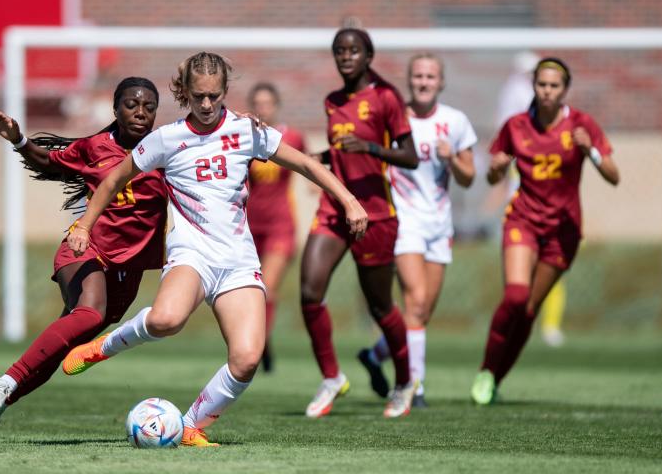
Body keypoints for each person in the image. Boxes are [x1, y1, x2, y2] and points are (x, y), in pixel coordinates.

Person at [61, 52, 368, 447]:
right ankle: (102, 347)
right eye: (198, 96)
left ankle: (189, 426)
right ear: (184, 93)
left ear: (225, 92)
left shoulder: (247, 130)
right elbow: (113, 179)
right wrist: (84, 224)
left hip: (238, 261)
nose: (206, 105)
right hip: (192, 252)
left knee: (246, 359)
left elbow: (307, 166)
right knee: (166, 320)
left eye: (214, 96)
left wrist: (349, 201)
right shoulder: (166, 139)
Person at [0, 77, 167, 443]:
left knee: (59, 349)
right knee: (91, 312)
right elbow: (49, 161)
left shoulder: (167, 150)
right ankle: (4, 381)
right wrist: (19, 139)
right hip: (84, 245)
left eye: (149, 106)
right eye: (131, 104)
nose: (140, 112)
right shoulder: (95, 147)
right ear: (115, 109)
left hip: (129, 267)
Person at [471, 57, 620, 405]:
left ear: (565, 90)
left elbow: (614, 176)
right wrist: (495, 170)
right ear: (533, 86)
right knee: (516, 297)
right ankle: (485, 369)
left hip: (562, 230)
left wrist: (591, 152)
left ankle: (495, 378)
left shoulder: (582, 125)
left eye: (554, 86)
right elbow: (494, 176)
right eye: (541, 85)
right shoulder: (517, 125)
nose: (547, 91)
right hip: (522, 219)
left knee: (530, 309)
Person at [300, 28, 420, 419]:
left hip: (374, 214)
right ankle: (331, 377)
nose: (346, 56)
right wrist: (319, 158)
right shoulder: (332, 101)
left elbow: (410, 156)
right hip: (334, 208)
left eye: (353, 50)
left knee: (380, 305)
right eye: (340, 51)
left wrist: (369, 147)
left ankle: (404, 382)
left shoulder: (386, 97)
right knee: (309, 291)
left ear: (369, 55)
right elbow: (342, 153)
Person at [357, 54, 477, 408]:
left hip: (439, 224)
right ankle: (414, 386)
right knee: (417, 300)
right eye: (418, 76)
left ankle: (376, 354)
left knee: (421, 313)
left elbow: (469, 178)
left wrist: (452, 157)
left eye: (430, 76)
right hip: (404, 220)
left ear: (441, 82)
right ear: (409, 81)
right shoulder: (395, 119)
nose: (424, 82)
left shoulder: (455, 121)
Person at [496, 52, 570, 348]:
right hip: (522, 203)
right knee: (520, 274)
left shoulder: (565, 121)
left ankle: (545, 324)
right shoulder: (515, 115)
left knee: (552, 266)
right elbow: (505, 151)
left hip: (552, 205)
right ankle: (523, 320)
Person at [244, 82, 306, 373]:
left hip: (281, 224)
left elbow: (307, 164)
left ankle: (259, 344)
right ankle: (260, 345)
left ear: (276, 105)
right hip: (249, 224)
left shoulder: (291, 137)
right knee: (249, 291)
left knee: (267, 289)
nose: (262, 108)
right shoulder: (244, 139)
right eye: (258, 103)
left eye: (267, 103)